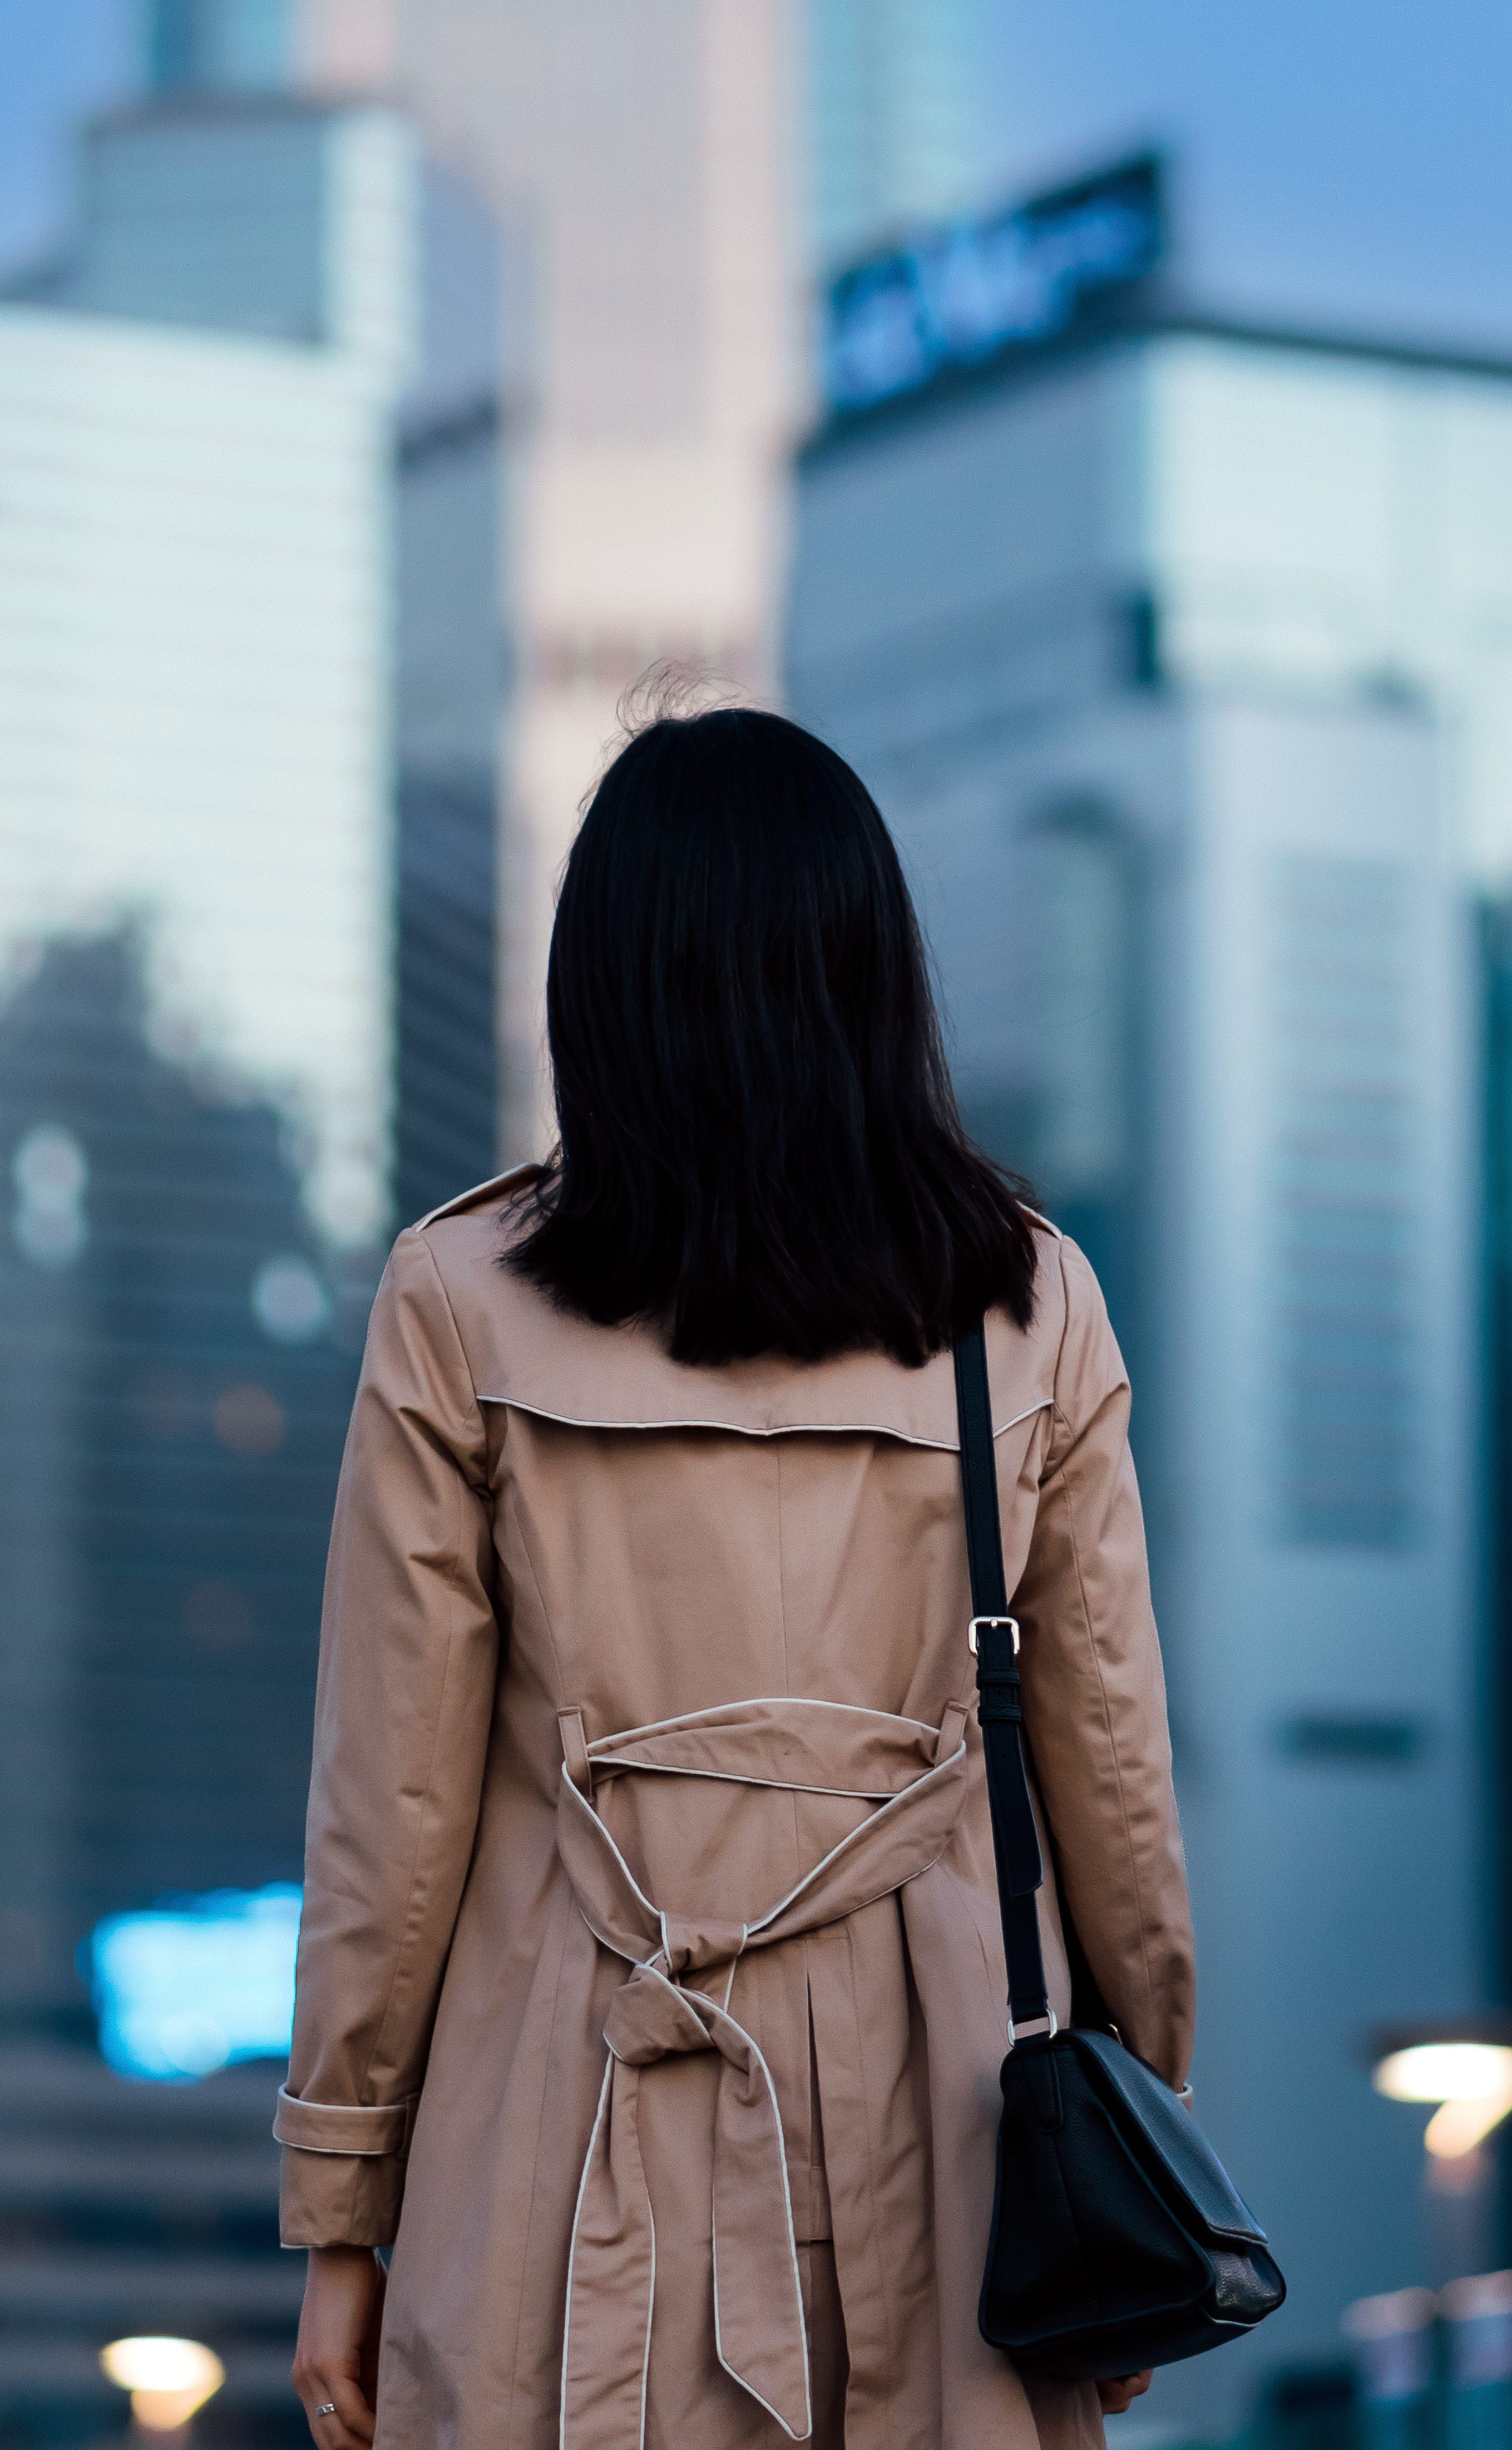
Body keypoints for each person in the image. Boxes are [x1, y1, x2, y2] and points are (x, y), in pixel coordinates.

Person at [278, 707, 1194, 2450]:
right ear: (873, 973)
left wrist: (342, 2204)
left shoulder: (457, 1297)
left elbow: (390, 1800)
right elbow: (1113, 1770)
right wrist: (1135, 2138)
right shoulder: (1029, 1307)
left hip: (562, 2103)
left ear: (600, 985)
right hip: (958, 2119)